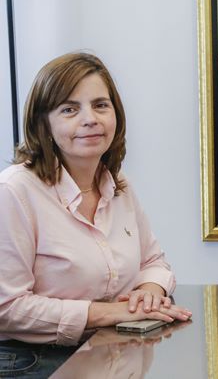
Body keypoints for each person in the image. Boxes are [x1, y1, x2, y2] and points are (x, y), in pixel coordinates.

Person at [0, 53, 191, 351]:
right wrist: (107, 313)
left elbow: (153, 261)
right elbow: (6, 308)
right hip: (35, 361)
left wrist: (149, 292)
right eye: (69, 109)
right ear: (43, 124)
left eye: (101, 105)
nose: (90, 119)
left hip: (113, 350)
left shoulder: (119, 185)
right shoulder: (13, 192)